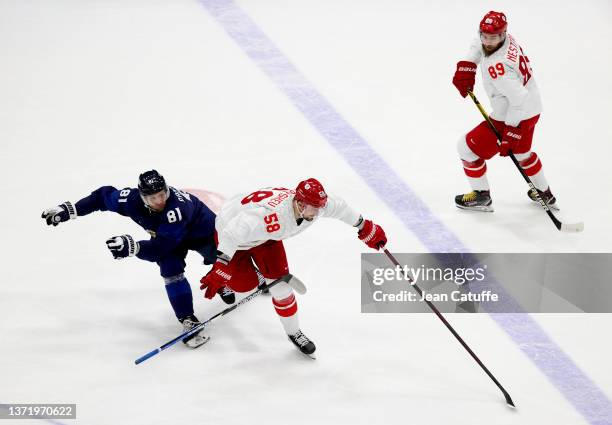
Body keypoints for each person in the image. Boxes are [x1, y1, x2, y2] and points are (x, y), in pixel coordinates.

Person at [41, 170, 234, 348]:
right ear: (142, 197)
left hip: (201, 231)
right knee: (170, 268)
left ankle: (239, 277)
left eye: (162, 195)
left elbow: (160, 248)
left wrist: (134, 247)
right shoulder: (130, 200)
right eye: (153, 197)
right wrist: (70, 210)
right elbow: (102, 197)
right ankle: (187, 318)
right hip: (168, 236)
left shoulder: (176, 209)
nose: (160, 201)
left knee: (225, 261)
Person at [198, 178, 387, 358]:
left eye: (321, 206)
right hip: (232, 237)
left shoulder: (313, 205)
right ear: (300, 204)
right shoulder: (270, 216)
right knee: (246, 284)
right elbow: (232, 234)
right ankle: (226, 278)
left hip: (266, 238)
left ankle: (294, 332)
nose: (320, 212)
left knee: (281, 288)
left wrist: (364, 227)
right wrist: (221, 268)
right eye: (316, 208)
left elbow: (340, 207)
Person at [452, 11, 557, 212]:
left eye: (493, 37)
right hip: (533, 109)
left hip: (513, 113)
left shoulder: (498, 67)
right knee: (522, 153)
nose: (488, 41)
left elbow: (518, 99)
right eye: (485, 35)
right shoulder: (506, 39)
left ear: (502, 34)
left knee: (465, 148)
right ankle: (545, 193)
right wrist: (467, 66)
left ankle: (481, 196)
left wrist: (511, 130)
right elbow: (478, 45)